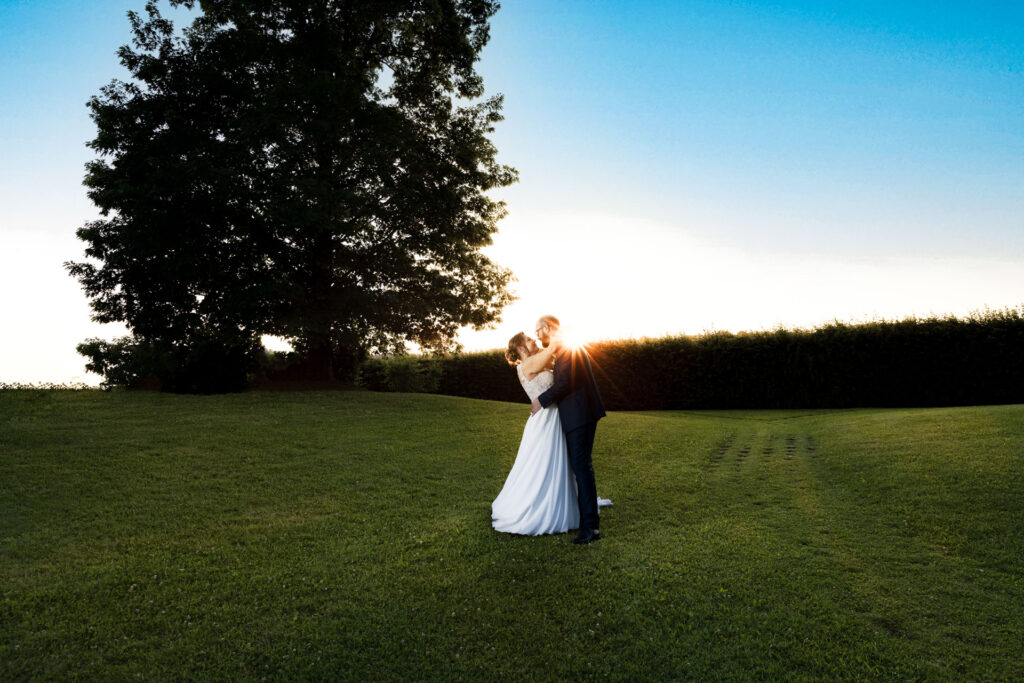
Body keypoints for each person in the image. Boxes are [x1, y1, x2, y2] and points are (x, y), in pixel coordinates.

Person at [491, 332, 581, 535]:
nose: (535, 341)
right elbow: (552, 350)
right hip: (546, 420)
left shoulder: (533, 363)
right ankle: (541, 504)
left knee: (553, 461)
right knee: (545, 462)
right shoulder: (527, 365)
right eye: (530, 340)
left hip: (551, 417)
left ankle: (560, 499)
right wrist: (555, 334)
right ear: (522, 349)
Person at [530, 315, 607, 544]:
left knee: (582, 468)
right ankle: (587, 523)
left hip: (579, 414)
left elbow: (565, 383)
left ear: (547, 327)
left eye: (537, 331)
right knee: (582, 468)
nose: (537, 336)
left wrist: (540, 400)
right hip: (580, 413)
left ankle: (590, 529)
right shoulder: (564, 348)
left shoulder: (567, 348)